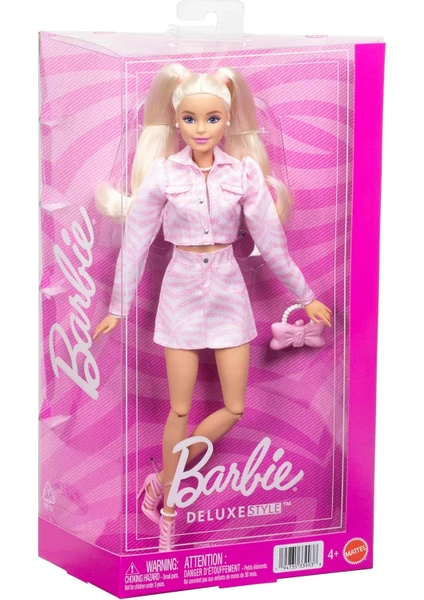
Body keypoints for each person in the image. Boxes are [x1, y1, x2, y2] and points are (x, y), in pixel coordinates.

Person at [93, 63, 332, 552]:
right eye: (190, 119)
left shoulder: (242, 173)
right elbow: (135, 245)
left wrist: (307, 296)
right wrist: (117, 307)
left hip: (228, 290)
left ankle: (166, 478)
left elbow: (273, 244)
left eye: (212, 119)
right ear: (176, 120)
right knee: (179, 408)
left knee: (235, 407)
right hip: (179, 292)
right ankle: (170, 506)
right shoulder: (163, 174)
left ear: (226, 119)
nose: (201, 129)